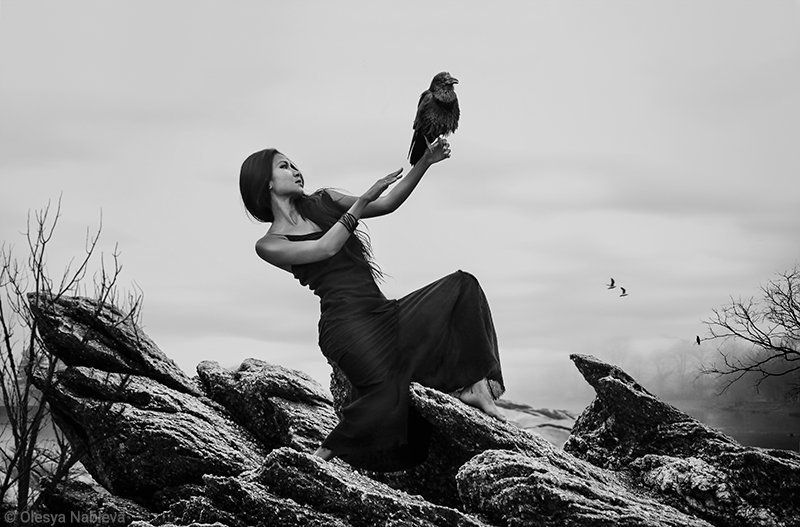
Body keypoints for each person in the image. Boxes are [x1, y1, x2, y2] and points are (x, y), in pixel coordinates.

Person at [239, 137, 506, 472]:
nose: (295, 170)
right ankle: (320, 458)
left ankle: (476, 386)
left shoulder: (324, 200)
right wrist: (363, 199)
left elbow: (389, 202)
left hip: (381, 312)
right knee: (387, 394)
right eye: (284, 166)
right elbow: (323, 249)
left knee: (463, 287)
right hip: (346, 326)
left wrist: (425, 161)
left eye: (294, 164)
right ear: (265, 182)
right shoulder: (270, 243)